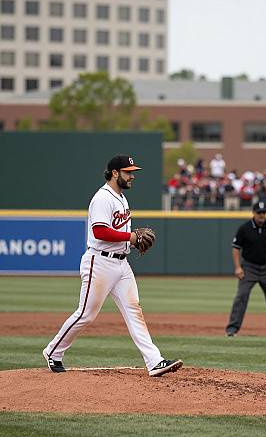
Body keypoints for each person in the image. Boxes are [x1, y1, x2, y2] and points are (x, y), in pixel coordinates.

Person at [43, 155, 183, 376]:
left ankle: (154, 361)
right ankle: (53, 351)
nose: (132, 176)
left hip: (121, 264)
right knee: (86, 315)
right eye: (128, 172)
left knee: (133, 309)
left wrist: (131, 242)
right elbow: (100, 231)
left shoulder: (121, 198)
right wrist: (131, 237)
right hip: (99, 263)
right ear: (115, 173)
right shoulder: (102, 198)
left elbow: (118, 233)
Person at [226, 201, 266, 337]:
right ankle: (232, 329)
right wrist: (237, 267)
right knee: (241, 296)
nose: (262, 215)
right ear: (254, 213)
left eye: (264, 213)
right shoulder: (245, 228)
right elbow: (236, 248)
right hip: (249, 267)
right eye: (259, 212)